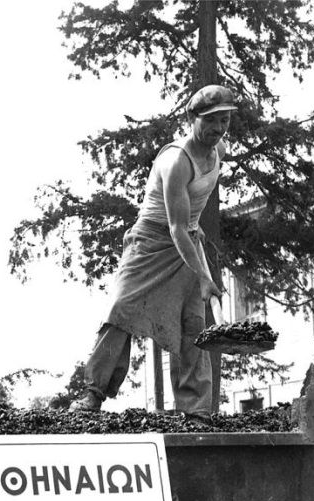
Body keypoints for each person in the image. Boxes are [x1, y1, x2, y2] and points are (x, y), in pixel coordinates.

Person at [70, 84, 235, 420]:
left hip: (187, 242)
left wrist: (199, 249)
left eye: (225, 120)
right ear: (193, 118)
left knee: (194, 325)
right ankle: (92, 395)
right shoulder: (177, 161)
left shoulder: (218, 151)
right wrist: (204, 276)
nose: (218, 129)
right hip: (151, 243)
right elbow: (174, 226)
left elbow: (189, 219)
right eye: (211, 121)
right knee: (121, 312)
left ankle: (197, 410)